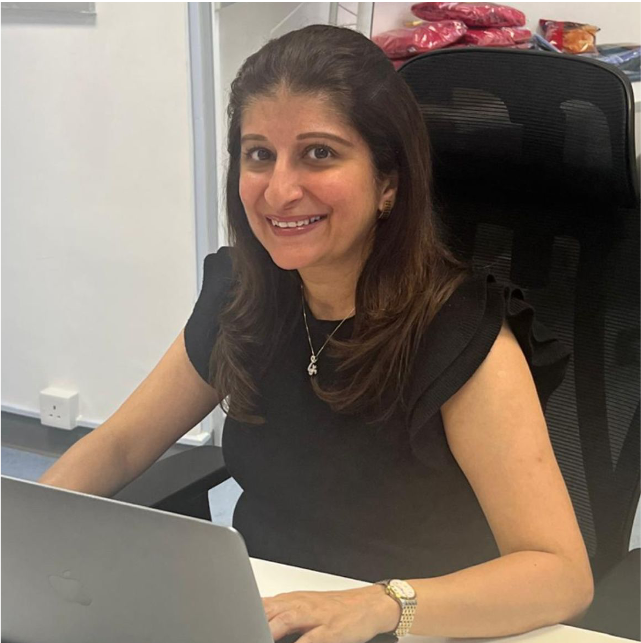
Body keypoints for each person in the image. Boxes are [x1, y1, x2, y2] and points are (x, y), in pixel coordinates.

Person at [39, 24, 594, 643]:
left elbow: (560, 574)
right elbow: (120, 446)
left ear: (388, 183)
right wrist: (21, 527)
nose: (279, 191)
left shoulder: (459, 332)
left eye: (319, 153)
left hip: (415, 625)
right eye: (259, 155)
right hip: (262, 615)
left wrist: (380, 605)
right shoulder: (240, 295)